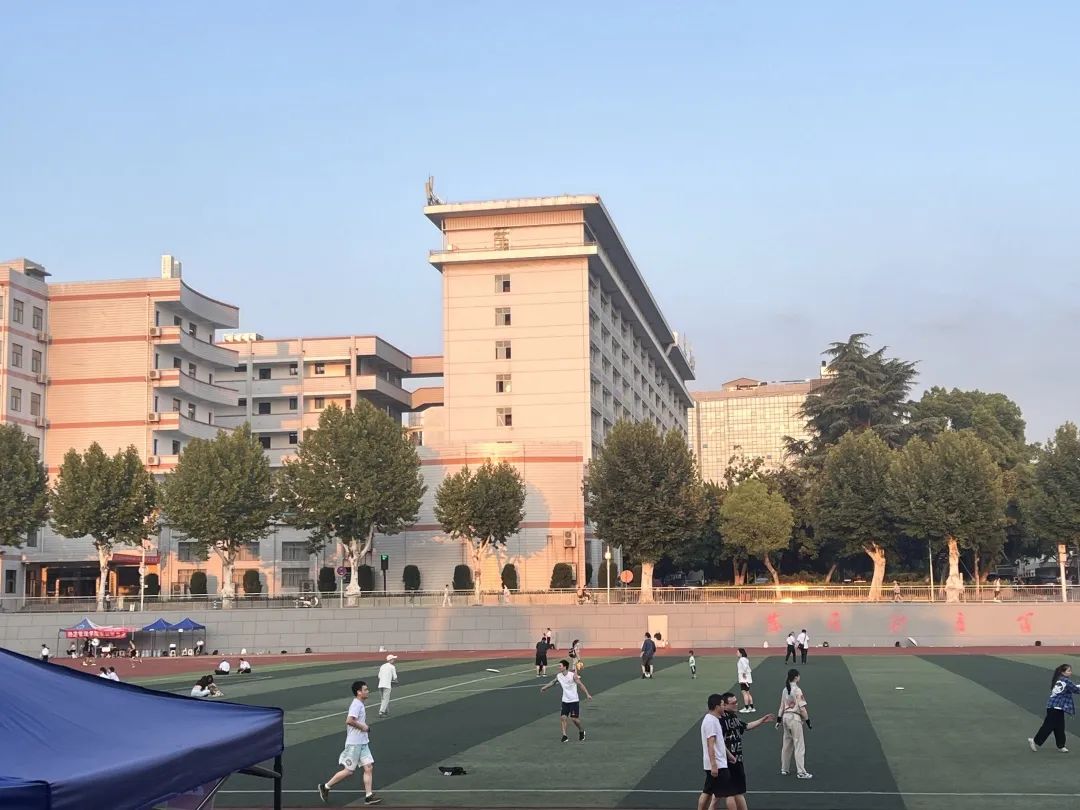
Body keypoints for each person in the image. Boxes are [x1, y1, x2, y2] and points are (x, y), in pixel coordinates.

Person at [318, 680, 381, 805]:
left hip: (362, 742)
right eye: (365, 689)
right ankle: (325, 787)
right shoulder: (356, 705)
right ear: (359, 692)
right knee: (349, 771)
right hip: (354, 743)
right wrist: (363, 727)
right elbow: (349, 720)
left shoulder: (360, 704)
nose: (368, 691)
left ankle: (368, 796)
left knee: (368, 767)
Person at [720, 691, 775, 810]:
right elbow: (719, 741)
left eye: (736, 702)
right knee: (730, 793)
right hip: (728, 760)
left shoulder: (733, 717)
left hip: (737, 759)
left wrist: (762, 720)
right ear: (724, 705)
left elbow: (746, 726)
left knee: (738, 791)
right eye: (733, 703)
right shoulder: (721, 720)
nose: (736, 704)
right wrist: (728, 756)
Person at [1028, 663, 1080, 753]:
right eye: (1068, 671)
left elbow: (1073, 687)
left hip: (1054, 707)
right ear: (1063, 672)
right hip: (1056, 707)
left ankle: (1061, 745)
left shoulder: (1059, 679)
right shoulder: (1066, 681)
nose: (1070, 672)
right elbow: (1076, 689)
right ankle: (1035, 741)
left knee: (1059, 727)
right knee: (1048, 726)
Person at [540, 659, 592, 742]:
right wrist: (545, 687)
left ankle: (581, 730)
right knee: (563, 717)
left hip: (574, 700)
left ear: (565, 667)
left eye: (560, 666)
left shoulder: (572, 675)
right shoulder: (559, 676)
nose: (558, 667)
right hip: (565, 701)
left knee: (574, 719)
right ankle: (564, 736)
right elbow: (553, 682)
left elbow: (580, 684)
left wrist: (587, 694)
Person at [698, 694, 734, 810]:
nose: (724, 707)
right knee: (730, 793)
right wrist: (714, 765)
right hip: (718, 765)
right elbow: (711, 744)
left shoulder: (713, 720)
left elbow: (719, 743)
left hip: (716, 763)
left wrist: (729, 755)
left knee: (708, 791)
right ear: (717, 706)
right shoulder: (711, 722)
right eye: (723, 705)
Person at [777, 668, 812, 779]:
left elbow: (781, 707)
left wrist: (778, 719)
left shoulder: (785, 690)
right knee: (799, 745)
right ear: (796, 677)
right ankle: (801, 772)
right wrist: (807, 720)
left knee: (787, 744)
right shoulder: (797, 690)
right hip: (794, 718)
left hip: (785, 717)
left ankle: (784, 768)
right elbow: (802, 708)